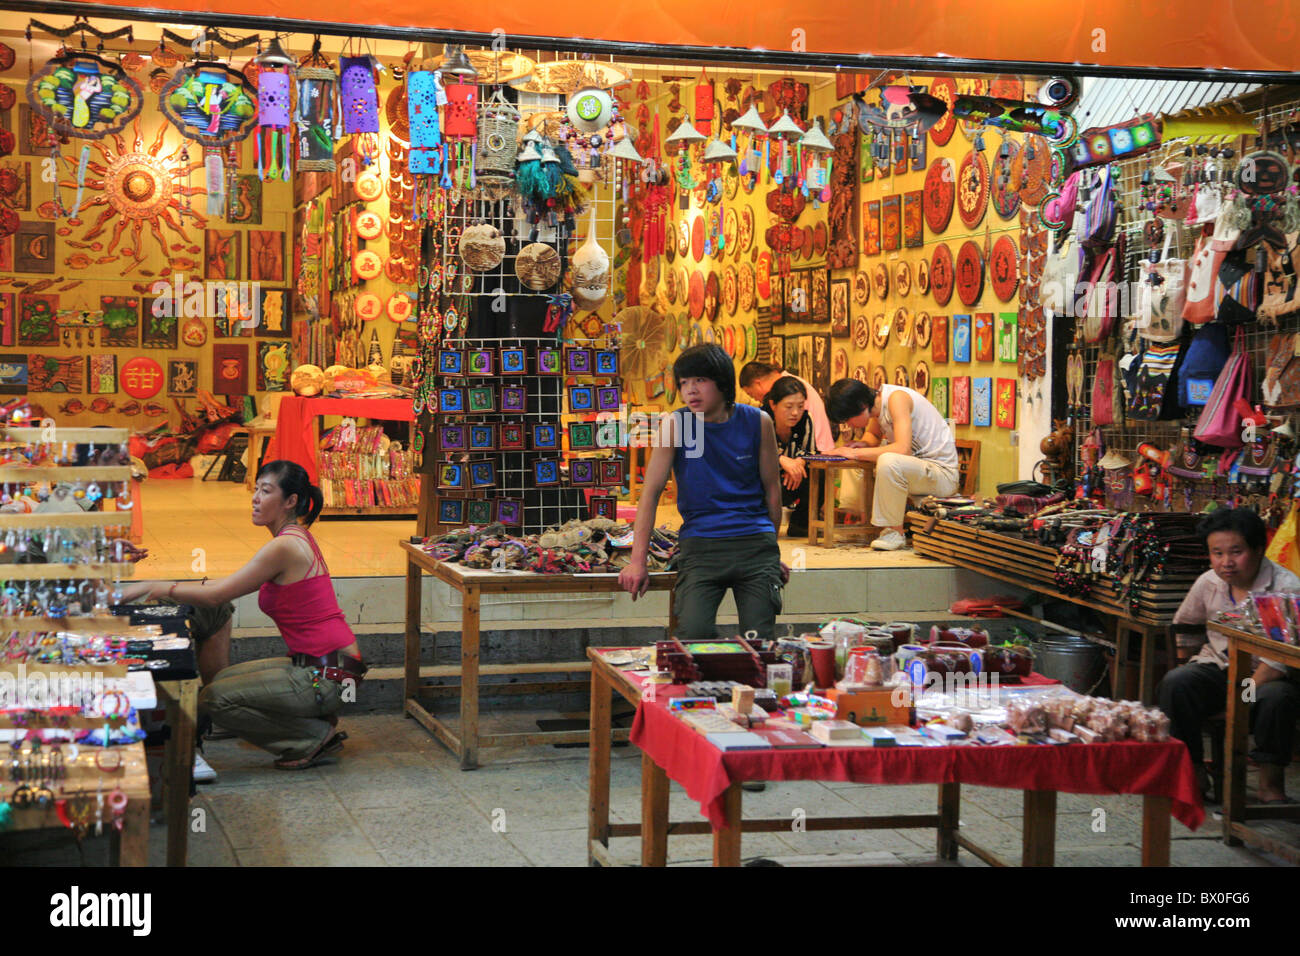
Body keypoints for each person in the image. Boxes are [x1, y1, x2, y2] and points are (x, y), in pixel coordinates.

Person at [121, 460, 366, 771]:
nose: (255, 498)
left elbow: (217, 596)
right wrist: (178, 587)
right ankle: (312, 716)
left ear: (290, 502)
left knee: (214, 699)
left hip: (328, 672)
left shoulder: (286, 546)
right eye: (256, 490)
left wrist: (155, 585)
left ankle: (308, 738)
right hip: (331, 664)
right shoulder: (294, 537)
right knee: (220, 682)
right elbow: (224, 586)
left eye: (266, 491)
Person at [620, 344, 789, 641]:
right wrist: (637, 561)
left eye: (700, 380)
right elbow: (650, 494)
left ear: (722, 382)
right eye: (684, 383)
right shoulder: (677, 424)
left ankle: (751, 687)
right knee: (694, 634)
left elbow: (772, 490)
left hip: (754, 544)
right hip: (701, 546)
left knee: (759, 639)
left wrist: (771, 552)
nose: (690, 391)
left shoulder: (757, 421)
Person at [1157, 508, 1300, 805]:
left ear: (1258, 549)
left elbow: (1276, 663)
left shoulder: (1283, 588)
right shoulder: (1209, 582)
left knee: (1278, 698)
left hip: (1262, 678)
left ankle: (1269, 782)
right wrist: (1190, 662)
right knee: (1177, 682)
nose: (1226, 562)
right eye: (1217, 553)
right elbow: (1186, 626)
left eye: (1236, 552)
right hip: (1220, 668)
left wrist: (1239, 693)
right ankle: (1193, 770)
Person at [825, 379, 959, 551]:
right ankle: (859, 520)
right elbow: (873, 435)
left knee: (888, 460)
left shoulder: (896, 399)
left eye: (847, 419)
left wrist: (856, 453)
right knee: (856, 459)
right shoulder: (878, 405)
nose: (848, 425)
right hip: (922, 470)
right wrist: (861, 446)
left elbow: (903, 449)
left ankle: (894, 532)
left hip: (943, 475)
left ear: (861, 405)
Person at [740, 360, 835, 454]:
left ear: (758, 384)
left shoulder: (789, 388)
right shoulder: (789, 382)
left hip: (818, 452)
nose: (755, 400)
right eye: (789, 407)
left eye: (751, 394)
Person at [763, 375, 816, 538]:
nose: (795, 413)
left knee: (817, 473)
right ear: (773, 404)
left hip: (792, 480)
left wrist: (798, 464)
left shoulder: (805, 420)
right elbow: (754, 455)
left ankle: (800, 524)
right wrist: (781, 460)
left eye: (800, 406)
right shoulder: (760, 419)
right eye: (789, 406)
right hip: (764, 484)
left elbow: (810, 452)